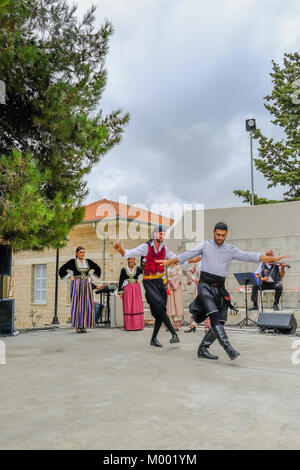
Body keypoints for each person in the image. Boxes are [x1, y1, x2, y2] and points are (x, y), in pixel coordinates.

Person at [156, 222, 290, 361]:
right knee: (213, 315)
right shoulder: (205, 245)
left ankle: (203, 348)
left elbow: (250, 256)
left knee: (220, 320)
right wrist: (169, 261)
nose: (220, 237)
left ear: (226, 235)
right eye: (218, 234)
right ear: (214, 232)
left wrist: (272, 259)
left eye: (223, 235)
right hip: (205, 286)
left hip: (219, 288)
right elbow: (187, 254)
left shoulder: (230, 249)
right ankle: (228, 347)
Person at [114, 224, 180, 347]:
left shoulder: (164, 249)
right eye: (160, 234)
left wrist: (192, 259)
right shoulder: (146, 247)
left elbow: (176, 258)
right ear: (155, 235)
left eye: (164, 234)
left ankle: (153, 339)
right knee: (160, 309)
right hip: (149, 282)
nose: (163, 236)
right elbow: (129, 253)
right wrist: (120, 250)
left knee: (161, 312)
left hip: (160, 283)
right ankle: (174, 334)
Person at [59, 246, 101, 333]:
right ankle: (78, 326)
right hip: (77, 285)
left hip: (86, 285)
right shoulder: (72, 262)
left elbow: (98, 268)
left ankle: (84, 326)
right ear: (77, 253)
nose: (82, 254)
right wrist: (70, 277)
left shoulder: (88, 262)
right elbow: (61, 270)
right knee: (77, 304)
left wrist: (91, 278)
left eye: (83, 252)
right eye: (81, 252)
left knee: (86, 304)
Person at [185, 257, 211, 333]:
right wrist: (194, 279)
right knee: (196, 307)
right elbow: (188, 271)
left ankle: (207, 326)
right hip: (199, 288)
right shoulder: (197, 264)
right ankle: (192, 326)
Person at [118, 257, 144, 331]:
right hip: (127, 288)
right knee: (128, 305)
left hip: (136, 288)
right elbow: (121, 280)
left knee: (136, 305)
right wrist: (120, 291)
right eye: (130, 259)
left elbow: (145, 273)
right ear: (128, 260)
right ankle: (129, 326)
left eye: (133, 259)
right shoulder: (124, 269)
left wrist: (140, 281)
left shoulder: (138, 268)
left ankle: (138, 325)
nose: (132, 260)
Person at [166, 264, 184, 331]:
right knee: (169, 304)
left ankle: (176, 326)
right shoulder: (166, 267)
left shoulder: (178, 267)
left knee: (177, 304)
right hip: (168, 287)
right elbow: (164, 276)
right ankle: (169, 325)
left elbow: (179, 276)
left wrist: (171, 280)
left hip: (176, 287)